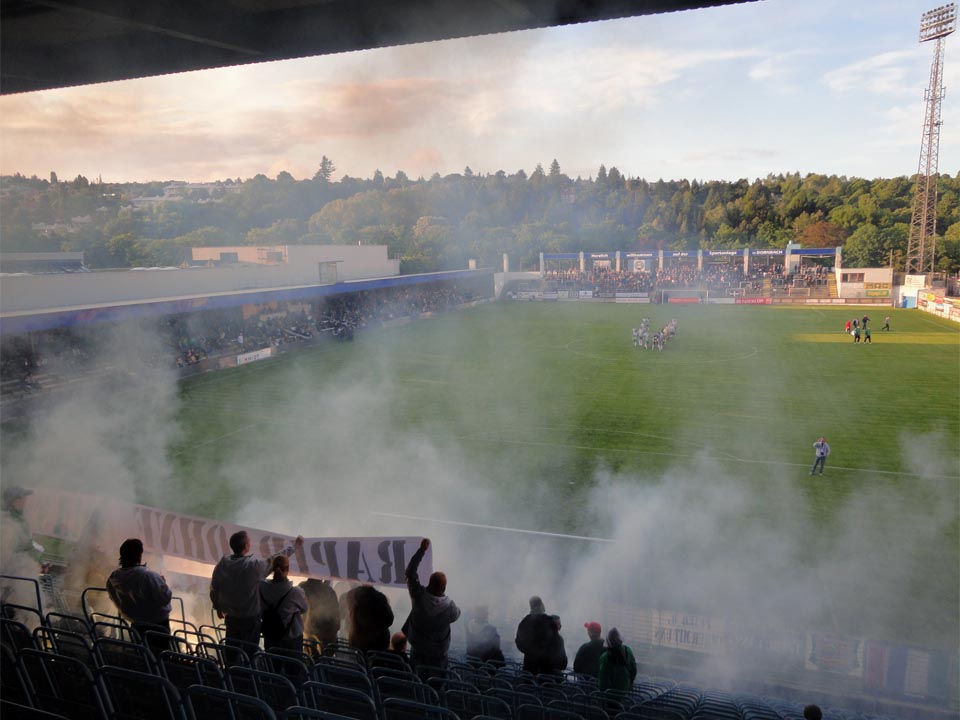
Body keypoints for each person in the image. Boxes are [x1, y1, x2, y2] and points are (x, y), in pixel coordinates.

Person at [210, 530, 304, 648]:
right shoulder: (252, 566)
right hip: (250, 620)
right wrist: (295, 547)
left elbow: (214, 587)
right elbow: (274, 560)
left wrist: (217, 606)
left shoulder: (222, 564)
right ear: (246, 546)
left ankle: (231, 661)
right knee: (250, 652)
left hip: (231, 617)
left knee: (232, 650)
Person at [404, 538, 461, 675]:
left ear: (429, 583)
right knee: (437, 682)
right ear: (444, 587)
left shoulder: (418, 595)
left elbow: (410, 572)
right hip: (438, 654)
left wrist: (421, 551)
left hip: (417, 648)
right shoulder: (450, 607)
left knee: (416, 678)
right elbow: (457, 614)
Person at [105, 538, 173, 654]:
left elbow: (113, 597)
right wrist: (163, 583)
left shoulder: (114, 577)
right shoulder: (147, 576)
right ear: (139, 555)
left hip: (136, 623)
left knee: (142, 653)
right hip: (158, 624)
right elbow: (165, 597)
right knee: (161, 655)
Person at [0, 486, 46, 628]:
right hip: (13, 579)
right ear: (13, 501)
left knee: (29, 611)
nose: (24, 501)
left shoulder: (19, 521)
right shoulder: (7, 522)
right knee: (21, 613)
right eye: (21, 498)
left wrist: (39, 561)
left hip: (20, 575)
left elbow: (28, 546)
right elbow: (8, 552)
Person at [259, 554, 308, 653]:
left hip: (270, 635)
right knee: (292, 663)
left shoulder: (261, 587)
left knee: (272, 662)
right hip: (291, 638)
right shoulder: (295, 592)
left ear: (272, 569)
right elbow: (304, 609)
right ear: (288, 568)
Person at [515, 596, 567, 675]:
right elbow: (556, 644)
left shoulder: (525, 622)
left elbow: (519, 642)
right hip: (547, 671)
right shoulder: (549, 621)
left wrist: (530, 652)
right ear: (540, 605)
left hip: (529, 668)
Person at [345, 583, 394, 653]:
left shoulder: (355, 601)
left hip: (358, 643)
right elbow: (390, 619)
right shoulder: (380, 599)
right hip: (379, 643)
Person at [299, 578, 340, 649]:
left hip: (309, 632)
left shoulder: (302, 587)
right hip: (327, 633)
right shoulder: (329, 590)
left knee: (309, 653)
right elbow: (336, 615)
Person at [597, 627, 637, 692]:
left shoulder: (604, 657)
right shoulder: (628, 651)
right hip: (625, 690)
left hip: (610, 692)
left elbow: (603, 679)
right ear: (620, 640)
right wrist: (630, 683)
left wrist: (602, 693)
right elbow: (634, 669)